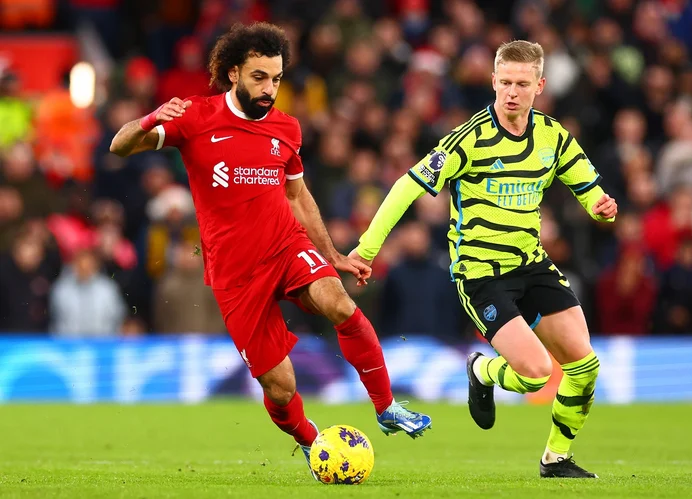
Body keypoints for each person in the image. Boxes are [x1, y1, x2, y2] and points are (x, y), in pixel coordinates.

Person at [109, 22, 431, 477]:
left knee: (337, 301)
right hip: (235, 273)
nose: (269, 88)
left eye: (277, 79)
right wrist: (150, 119)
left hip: (285, 245)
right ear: (234, 73)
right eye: (259, 77)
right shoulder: (196, 117)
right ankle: (308, 439)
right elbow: (119, 146)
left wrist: (334, 255)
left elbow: (298, 197)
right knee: (280, 388)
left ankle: (386, 406)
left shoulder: (287, 128)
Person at [351, 40, 617, 478]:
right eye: (505, 83)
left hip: (531, 263)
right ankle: (482, 369)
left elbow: (588, 191)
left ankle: (556, 459)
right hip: (480, 275)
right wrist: (367, 248)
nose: (512, 92)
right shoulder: (469, 139)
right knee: (534, 374)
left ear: (540, 86)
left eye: (522, 84)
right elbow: (407, 185)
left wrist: (601, 206)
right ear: (493, 82)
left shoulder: (553, 137)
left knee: (585, 366)